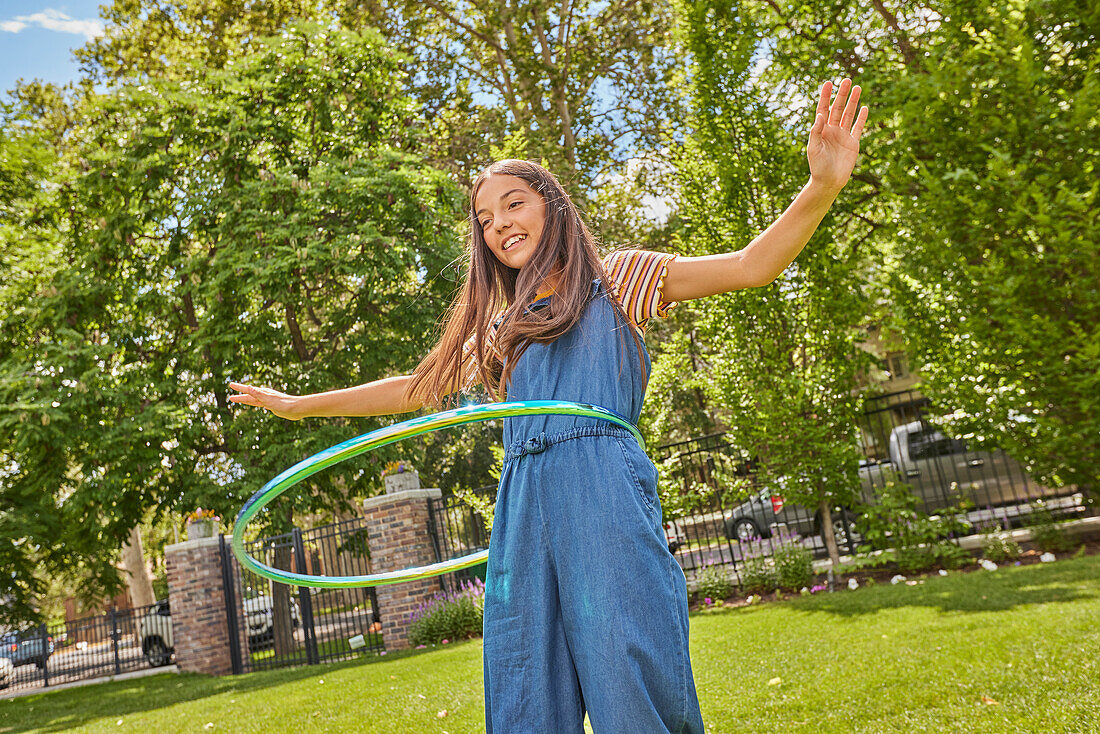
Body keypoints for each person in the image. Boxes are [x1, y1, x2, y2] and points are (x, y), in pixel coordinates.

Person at [230, 78, 868, 733]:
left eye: (513, 204)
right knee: (524, 687)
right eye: (485, 218)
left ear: (552, 207)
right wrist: (300, 404)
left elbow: (750, 265)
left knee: (629, 671)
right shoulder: (501, 330)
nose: (499, 223)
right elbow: (414, 390)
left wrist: (822, 185)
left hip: (603, 492)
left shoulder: (619, 280)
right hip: (523, 502)